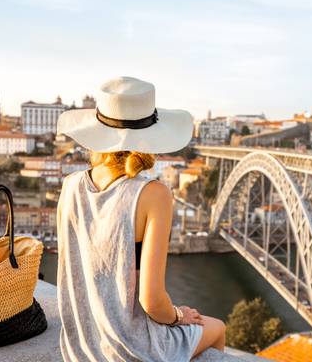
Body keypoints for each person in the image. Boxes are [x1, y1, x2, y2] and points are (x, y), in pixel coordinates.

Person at [55, 77, 226, 361]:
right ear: (150, 137)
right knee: (217, 327)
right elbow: (152, 300)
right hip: (132, 350)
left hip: (80, 346)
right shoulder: (154, 194)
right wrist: (179, 315)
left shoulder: (70, 185)